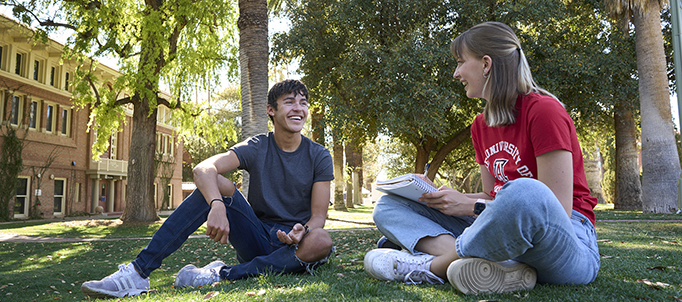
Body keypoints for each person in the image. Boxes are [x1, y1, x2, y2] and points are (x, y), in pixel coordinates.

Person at [364, 21, 600, 295]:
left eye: (461, 62)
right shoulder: (480, 125)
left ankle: (431, 267)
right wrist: (447, 197)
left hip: (567, 239)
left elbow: (555, 208)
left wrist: (470, 206)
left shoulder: (544, 111)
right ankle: (497, 263)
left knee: (526, 192)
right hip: (502, 232)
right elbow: (493, 194)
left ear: (486, 64)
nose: (456, 73)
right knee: (388, 206)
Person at [81, 79, 335, 299]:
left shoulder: (319, 156)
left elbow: (318, 217)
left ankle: (221, 274)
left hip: (298, 245)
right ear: (271, 110)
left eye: (303, 103)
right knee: (216, 185)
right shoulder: (258, 147)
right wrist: (216, 205)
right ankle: (139, 272)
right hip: (257, 237)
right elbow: (203, 169)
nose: (298, 108)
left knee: (322, 239)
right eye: (290, 102)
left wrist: (304, 230)